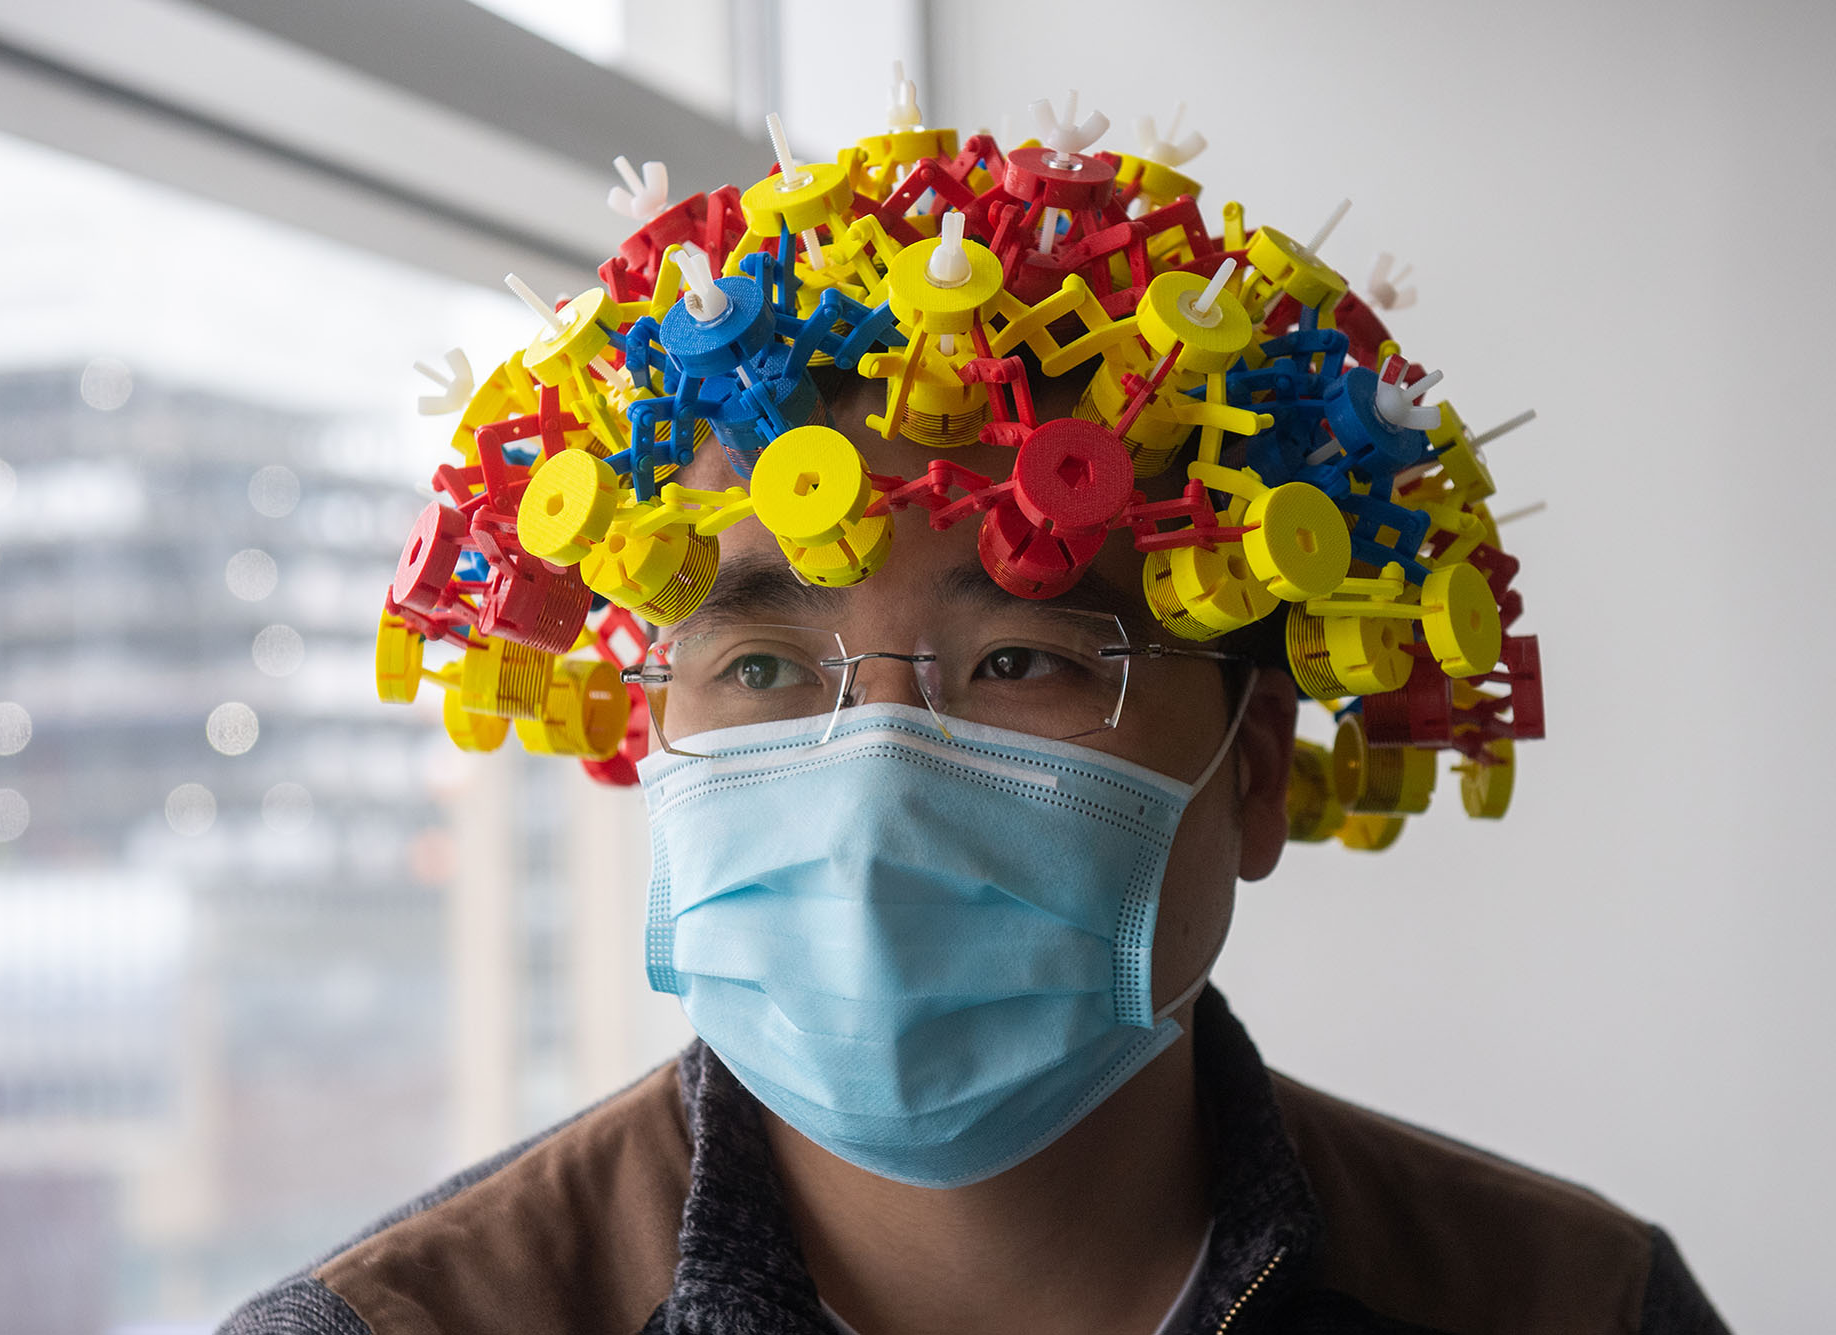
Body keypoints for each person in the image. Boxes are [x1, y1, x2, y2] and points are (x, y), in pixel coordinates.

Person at [222, 89, 1730, 1335]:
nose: (872, 788)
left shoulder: (1576, 1306)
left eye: (1023, 661)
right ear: (650, 732)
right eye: (762, 669)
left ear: (1256, 772)